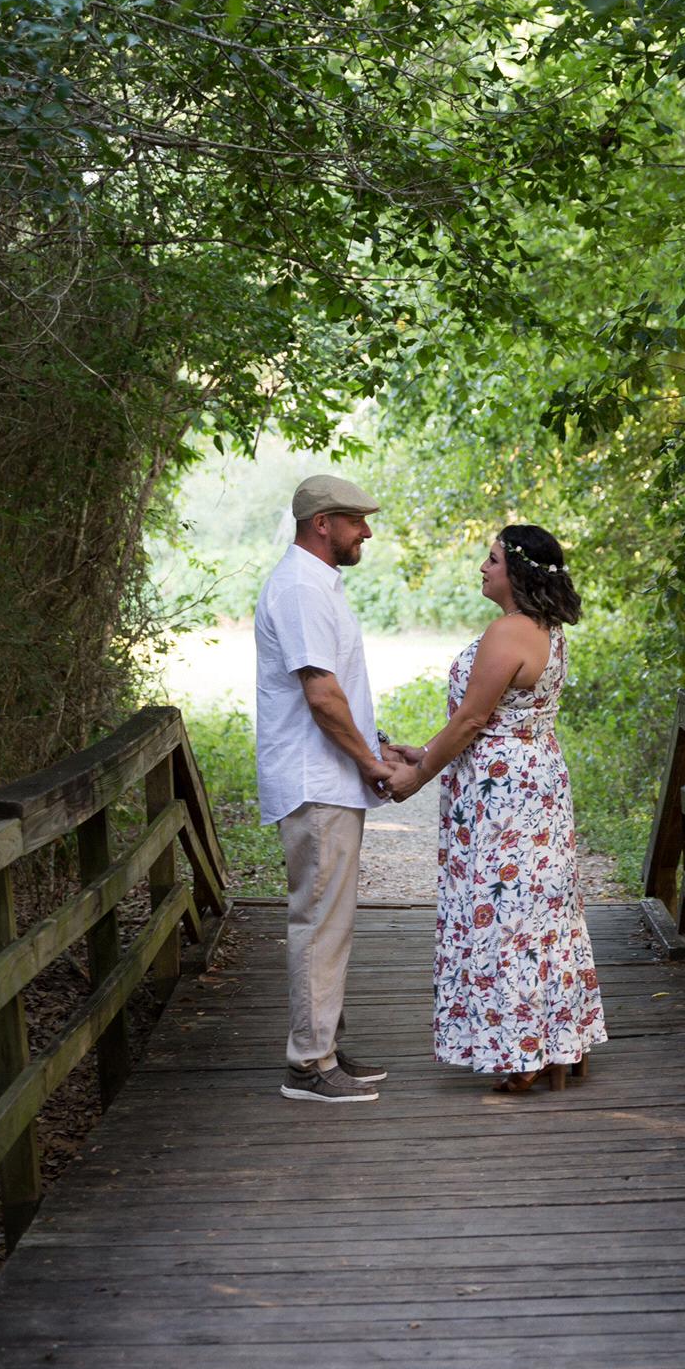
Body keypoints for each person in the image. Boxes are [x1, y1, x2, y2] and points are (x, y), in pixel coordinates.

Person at [386, 525, 607, 1090]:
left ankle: (524, 1055)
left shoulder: (508, 630)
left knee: (505, 913)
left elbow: (471, 720)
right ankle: (561, 1041)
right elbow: (492, 718)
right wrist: (424, 750)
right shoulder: (546, 627)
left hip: (502, 793)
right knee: (545, 912)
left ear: (518, 571)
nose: (482, 568)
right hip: (536, 778)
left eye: (492, 560)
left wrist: (417, 776)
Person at [255, 472, 395, 1106]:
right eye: (356, 520)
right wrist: (369, 762)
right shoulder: (300, 588)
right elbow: (321, 694)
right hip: (317, 780)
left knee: (331, 921)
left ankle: (325, 1045)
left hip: (327, 776)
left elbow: (340, 691)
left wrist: (376, 745)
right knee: (318, 921)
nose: (366, 531)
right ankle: (309, 1065)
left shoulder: (317, 584)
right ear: (322, 524)